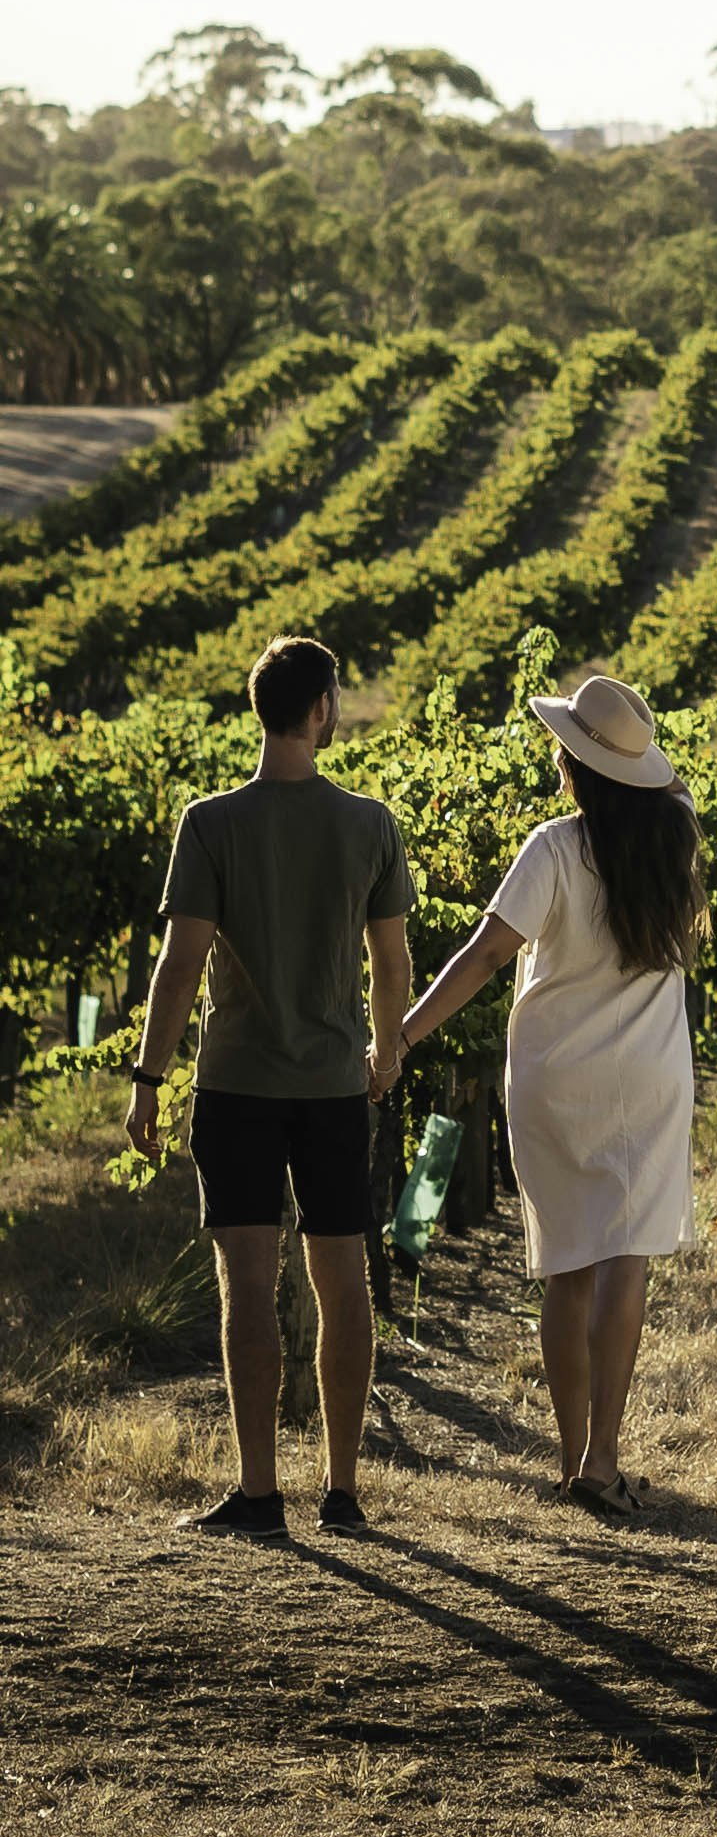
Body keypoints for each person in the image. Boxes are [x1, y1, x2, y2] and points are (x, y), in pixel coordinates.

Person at [126, 632, 413, 1541]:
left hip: (236, 1087)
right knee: (343, 1282)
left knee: (246, 1286)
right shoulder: (368, 823)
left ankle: (258, 1495)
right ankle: (343, 1489)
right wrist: (386, 1048)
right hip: (334, 1086)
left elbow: (180, 964)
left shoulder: (211, 822)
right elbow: (392, 959)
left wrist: (149, 1077)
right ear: (321, 709)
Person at [399, 669, 700, 1516]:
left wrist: (402, 1036)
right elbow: (670, 786)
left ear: (576, 768)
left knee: (567, 1268)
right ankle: (606, 1456)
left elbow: (486, 955)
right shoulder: (673, 837)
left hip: (553, 1077)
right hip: (646, 1077)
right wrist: (637, 768)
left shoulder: (554, 848)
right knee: (625, 1259)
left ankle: (574, 1461)